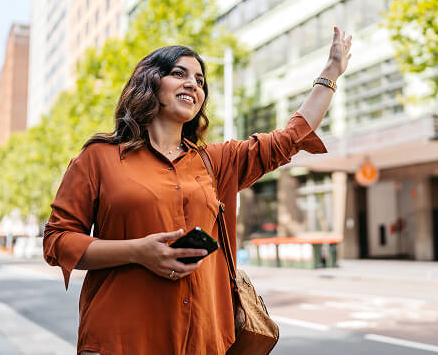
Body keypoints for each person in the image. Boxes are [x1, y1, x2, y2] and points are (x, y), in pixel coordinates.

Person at [43, 26, 352, 355]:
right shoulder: (99, 158)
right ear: (150, 81)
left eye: (200, 81)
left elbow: (290, 137)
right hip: (121, 340)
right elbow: (57, 240)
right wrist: (138, 251)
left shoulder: (216, 161)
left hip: (203, 341)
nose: (193, 83)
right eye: (179, 73)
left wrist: (331, 70)